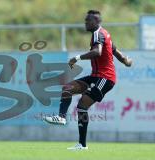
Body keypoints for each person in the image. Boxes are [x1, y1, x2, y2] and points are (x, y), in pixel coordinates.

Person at [44, 10, 132, 150]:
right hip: (96, 76)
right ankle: (62, 117)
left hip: (105, 78)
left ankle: (82, 145)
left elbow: (97, 52)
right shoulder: (104, 34)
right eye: (85, 20)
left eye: (88, 21)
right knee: (67, 88)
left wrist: (77, 58)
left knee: (82, 105)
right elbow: (115, 51)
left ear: (96, 22)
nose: (85, 23)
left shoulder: (98, 34)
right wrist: (126, 61)